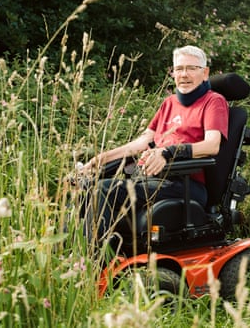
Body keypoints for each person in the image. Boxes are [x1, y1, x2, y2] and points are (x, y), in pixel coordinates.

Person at [79, 45, 229, 247]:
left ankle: (95, 257)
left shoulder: (214, 101)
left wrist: (168, 152)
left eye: (191, 68)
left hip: (184, 184)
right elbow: (141, 143)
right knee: (85, 185)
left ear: (205, 73)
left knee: (101, 190)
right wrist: (100, 159)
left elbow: (212, 146)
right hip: (152, 179)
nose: (184, 74)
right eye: (179, 69)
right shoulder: (169, 103)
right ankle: (71, 254)